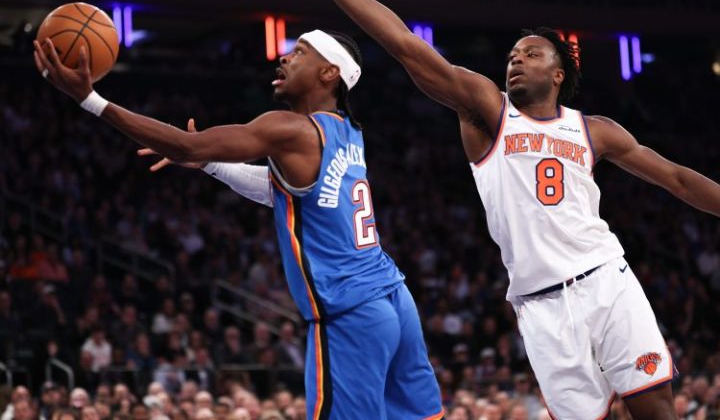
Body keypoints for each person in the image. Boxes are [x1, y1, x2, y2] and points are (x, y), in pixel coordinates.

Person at [254, 0, 720, 420]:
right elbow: (406, 45)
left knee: (656, 408)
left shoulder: (596, 130)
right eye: (512, 56)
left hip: (607, 279)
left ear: (558, 73)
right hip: (541, 306)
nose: (516, 61)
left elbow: (678, 179)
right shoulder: (489, 112)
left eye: (531, 54)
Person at [33, 28, 443, 419]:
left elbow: (186, 145)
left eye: (300, 52)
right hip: (395, 298)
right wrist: (211, 164)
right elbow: (278, 190)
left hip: (353, 311)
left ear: (329, 72)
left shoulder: (288, 127)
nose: (285, 57)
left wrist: (90, 99)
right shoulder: (349, 133)